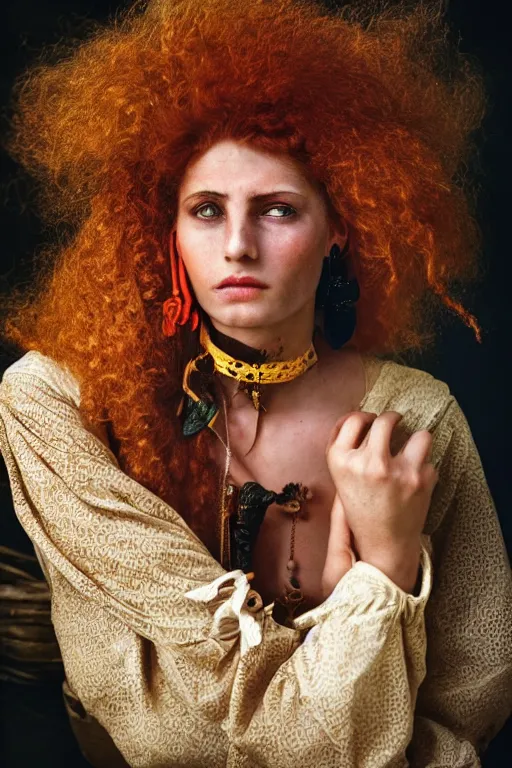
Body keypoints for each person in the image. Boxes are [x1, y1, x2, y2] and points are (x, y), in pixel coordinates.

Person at [0, 0, 510, 766]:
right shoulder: (60, 404)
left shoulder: (414, 419)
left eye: (277, 210)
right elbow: (177, 731)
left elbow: (467, 708)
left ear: (343, 226)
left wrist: (388, 572)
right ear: (164, 228)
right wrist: (382, 577)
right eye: (206, 210)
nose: (238, 245)